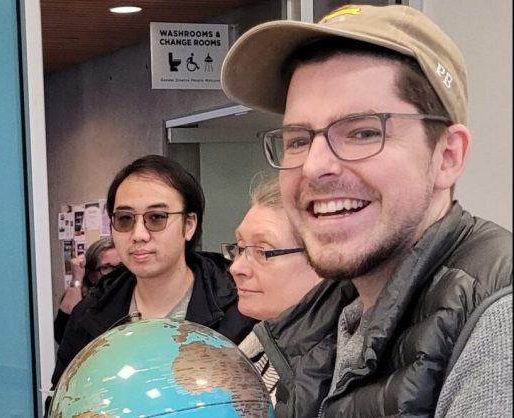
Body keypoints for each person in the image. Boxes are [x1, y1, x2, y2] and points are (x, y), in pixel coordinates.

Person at [221, 5, 512, 417]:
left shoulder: (497, 324)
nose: (314, 166)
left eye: (362, 132)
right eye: (298, 139)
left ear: (447, 156)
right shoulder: (321, 320)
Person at [50, 155, 256, 388]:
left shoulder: (241, 312)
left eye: (157, 218)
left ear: (189, 225)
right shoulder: (89, 315)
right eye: (125, 219)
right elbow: (62, 399)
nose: (139, 234)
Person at [222, 176, 322, 401]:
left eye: (262, 251)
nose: (236, 267)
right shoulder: (255, 346)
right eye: (239, 248)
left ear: (322, 260)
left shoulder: (333, 379)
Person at [53, 236, 120, 343]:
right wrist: (77, 278)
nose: (116, 274)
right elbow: (62, 335)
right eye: (106, 268)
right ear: (91, 275)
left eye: (121, 267)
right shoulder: (88, 302)